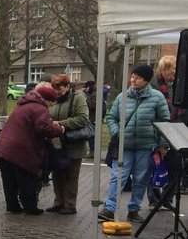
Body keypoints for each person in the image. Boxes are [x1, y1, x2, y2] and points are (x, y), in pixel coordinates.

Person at [100, 64, 170, 223]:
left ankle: (133, 210)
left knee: (140, 179)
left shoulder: (157, 97)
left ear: (146, 80)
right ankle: (110, 208)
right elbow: (111, 118)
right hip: (125, 145)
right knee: (118, 176)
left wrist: (163, 145)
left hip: (146, 147)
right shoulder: (122, 97)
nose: (133, 79)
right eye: (132, 76)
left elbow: (164, 121)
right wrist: (117, 133)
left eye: (137, 77)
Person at [0, 84, 64, 215]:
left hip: (4, 147)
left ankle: (12, 206)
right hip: (21, 150)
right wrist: (60, 129)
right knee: (27, 179)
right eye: (51, 101)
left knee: (9, 180)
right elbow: (43, 128)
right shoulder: (40, 108)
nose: (50, 104)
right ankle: (31, 208)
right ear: (47, 99)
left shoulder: (22, 104)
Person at [46, 75, 90, 215]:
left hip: (73, 143)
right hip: (57, 143)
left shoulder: (78, 98)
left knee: (71, 175)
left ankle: (70, 204)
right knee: (57, 173)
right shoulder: (54, 100)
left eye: (60, 88)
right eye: (55, 89)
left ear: (67, 86)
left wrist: (61, 124)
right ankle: (59, 202)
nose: (57, 91)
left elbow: (82, 118)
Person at [153, 54, 182, 123]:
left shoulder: (180, 84)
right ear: (163, 70)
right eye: (174, 68)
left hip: (178, 123)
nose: (175, 71)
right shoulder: (154, 86)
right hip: (161, 123)